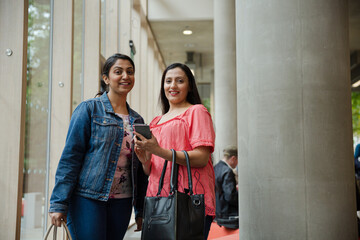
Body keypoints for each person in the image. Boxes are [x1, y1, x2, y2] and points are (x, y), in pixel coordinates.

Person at [48, 53, 148, 240]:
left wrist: (140, 210)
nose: (125, 76)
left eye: (130, 71)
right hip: (87, 199)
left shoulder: (138, 120)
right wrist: (58, 203)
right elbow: (71, 157)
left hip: (122, 202)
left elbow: (139, 171)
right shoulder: (89, 109)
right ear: (106, 78)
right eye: (118, 71)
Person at [133, 63, 216, 239]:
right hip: (158, 201)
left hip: (188, 200)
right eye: (168, 81)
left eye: (180, 81)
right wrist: (145, 159)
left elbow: (201, 158)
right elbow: (151, 170)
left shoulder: (196, 111)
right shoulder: (156, 121)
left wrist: (158, 150)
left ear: (189, 85)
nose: (173, 86)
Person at [214, 146, 239, 229]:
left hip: (217, 212)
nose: (237, 164)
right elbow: (230, 196)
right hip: (227, 214)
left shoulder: (215, 168)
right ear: (233, 158)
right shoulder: (227, 171)